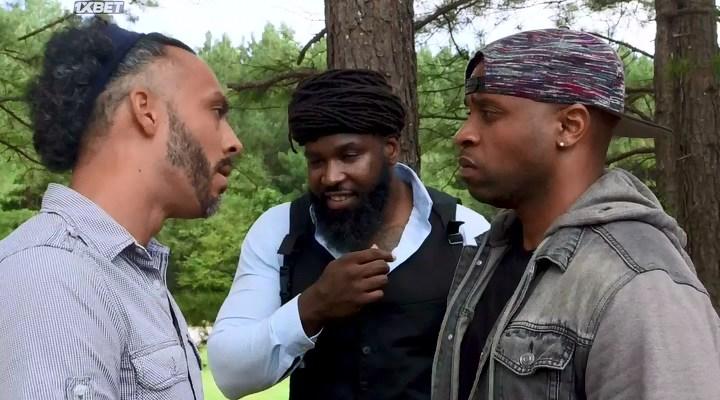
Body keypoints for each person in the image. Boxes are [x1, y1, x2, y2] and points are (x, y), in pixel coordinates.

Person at [431, 28, 720, 400]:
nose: (463, 134)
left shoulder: (640, 284)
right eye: (469, 113)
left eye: (489, 114)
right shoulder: (492, 253)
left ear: (569, 126)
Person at [208, 69, 490, 399]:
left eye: (349, 156)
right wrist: (315, 305)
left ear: (390, 148)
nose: (331, 177)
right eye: (316, 161)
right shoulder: (280, 232)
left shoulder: (466, 233)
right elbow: (229, 372)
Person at [0, 19, 242, 399]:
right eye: (216, 110)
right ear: (146, 110)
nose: (234, 142)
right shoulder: (54, 275)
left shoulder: (128, 276)